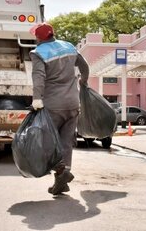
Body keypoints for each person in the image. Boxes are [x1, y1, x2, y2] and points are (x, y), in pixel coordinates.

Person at [29, 22, 89, 195]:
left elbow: (38, 78)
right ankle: (60, 183)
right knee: (66, 143)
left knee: (46, 143)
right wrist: (83, 81)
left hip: (53, 106)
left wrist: (37, 99)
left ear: (39, 37)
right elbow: (84, 66)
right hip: (72, 103)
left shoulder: (39, 53)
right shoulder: (69, 47)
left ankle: (62, 172)